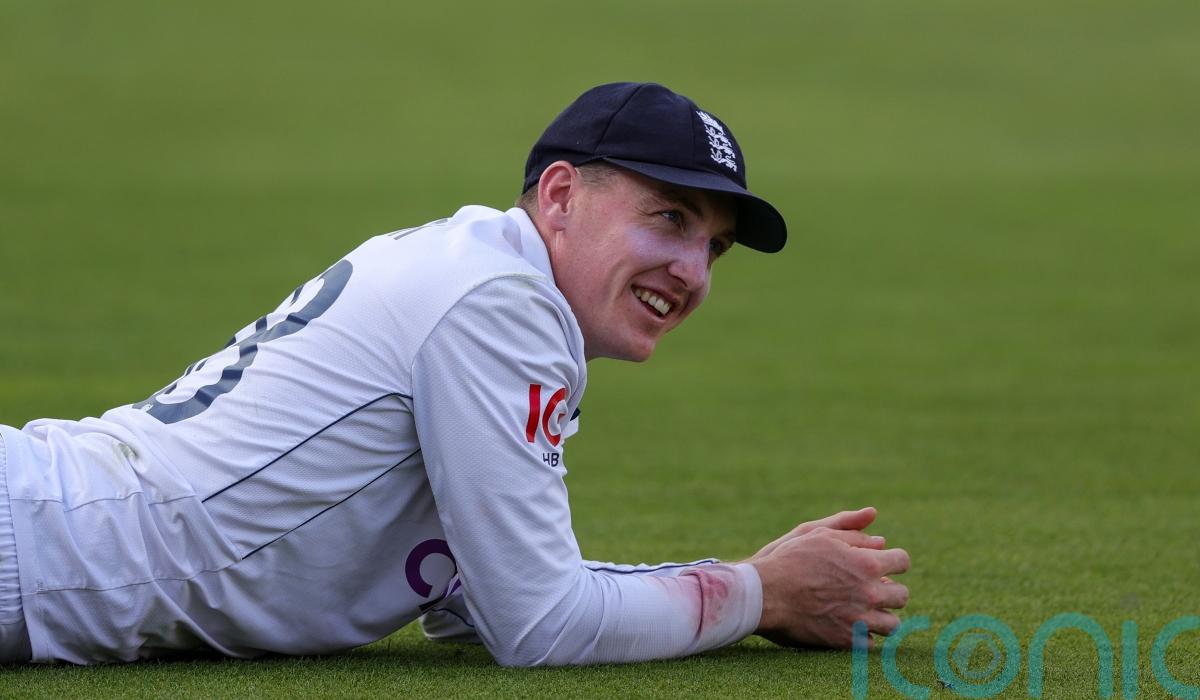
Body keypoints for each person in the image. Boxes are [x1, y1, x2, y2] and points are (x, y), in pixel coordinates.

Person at [0, 82, 909, 666]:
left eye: (714, 246)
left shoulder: (483, 274)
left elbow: (482, 598)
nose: (693, 270)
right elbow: (542, 625)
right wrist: (760, 593)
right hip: (32, 541)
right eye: (669, 218)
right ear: (561, 196)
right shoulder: (498, 304)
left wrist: (749, 581)